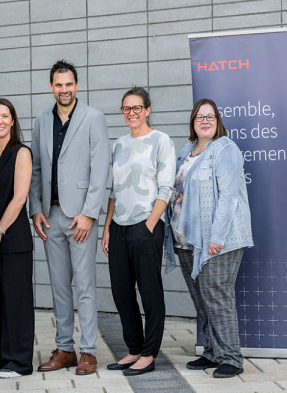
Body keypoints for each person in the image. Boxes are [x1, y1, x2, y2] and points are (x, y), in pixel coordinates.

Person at [29, 60, 110, 375]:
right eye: (58, 84)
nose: (64, 90)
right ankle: (65, 348)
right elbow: (35, 168)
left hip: (80, 218)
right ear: (51, 87)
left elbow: (100, 168)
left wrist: (90, 214)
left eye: (69, 84)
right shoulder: (40, 121)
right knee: (59, 287)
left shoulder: (94, 118)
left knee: (85, 285)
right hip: (50, 216)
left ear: (77, 85)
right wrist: (35, 209)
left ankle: (88, 350)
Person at [164, 99, 253, 378]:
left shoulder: (225, 149)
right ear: (192, 121)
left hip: (217, 241)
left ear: (217, 121)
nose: (205, 120)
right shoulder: (184, 151)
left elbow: (228, 197)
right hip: (186, 240)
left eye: (210, 116)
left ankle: (231, 358)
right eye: (200, 116)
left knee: (217, 295)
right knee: (202, 300)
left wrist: (217, 237)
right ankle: (213, 352)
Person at [101, 86, 175, 376]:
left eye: (136, 108)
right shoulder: (119, 144)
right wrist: (107, 227)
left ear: (147, 110)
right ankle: (133, 349)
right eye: (126, 109)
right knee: (121, 292)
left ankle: (149, 353)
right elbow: (113, 191)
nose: (131, 113)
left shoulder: (161, 141)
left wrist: (150, 223)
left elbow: (166, 186)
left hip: (146, 226)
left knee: (150, 292)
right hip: (118, 227)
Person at [0, 98, 34, 379]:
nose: (0, 121)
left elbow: (19, 197)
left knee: (17, 301)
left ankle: (20, 361)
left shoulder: (21, 152)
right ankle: (2, 356)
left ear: (13, 120)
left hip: (12, 240)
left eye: (5, 116)